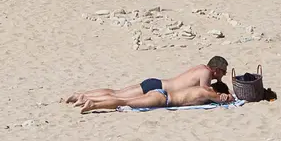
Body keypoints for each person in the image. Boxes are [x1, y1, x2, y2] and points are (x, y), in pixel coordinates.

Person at [64, 56, 230, 107]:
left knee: (117, 92)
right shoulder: (206, 74)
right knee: (119, 96)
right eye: (223, 72)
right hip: (159, 88)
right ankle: (86, 99)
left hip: (157, 83)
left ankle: (81, 95)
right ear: (216, 69)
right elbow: (206, 94)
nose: (223, 75)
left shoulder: (200, 67)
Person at [78, 77, 235, 113]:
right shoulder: (207, 92)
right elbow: (226, 100)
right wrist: (230, 97)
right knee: (124, 101)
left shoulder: (203, 90)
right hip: (163, 99)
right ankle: (93, 105)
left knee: (122, 97)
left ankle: (90, 99)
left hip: (161, 93)